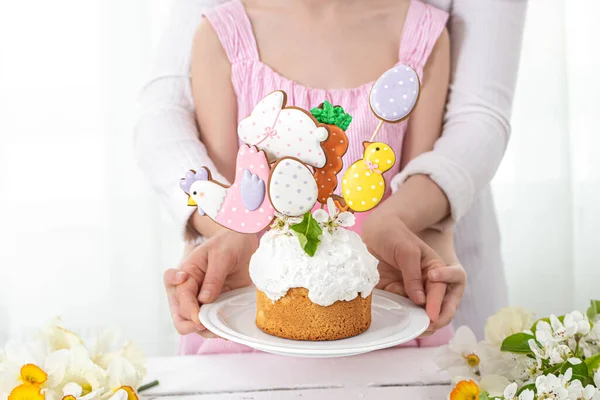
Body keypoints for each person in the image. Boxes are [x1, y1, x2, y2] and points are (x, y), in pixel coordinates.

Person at [134, 0, 526, 353]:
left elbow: (435, 178)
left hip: (385, 315)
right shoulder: (222, 34)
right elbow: (228, 196)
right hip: (250, 320)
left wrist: (418, 242)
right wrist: (225, 239)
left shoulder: (423, 35)